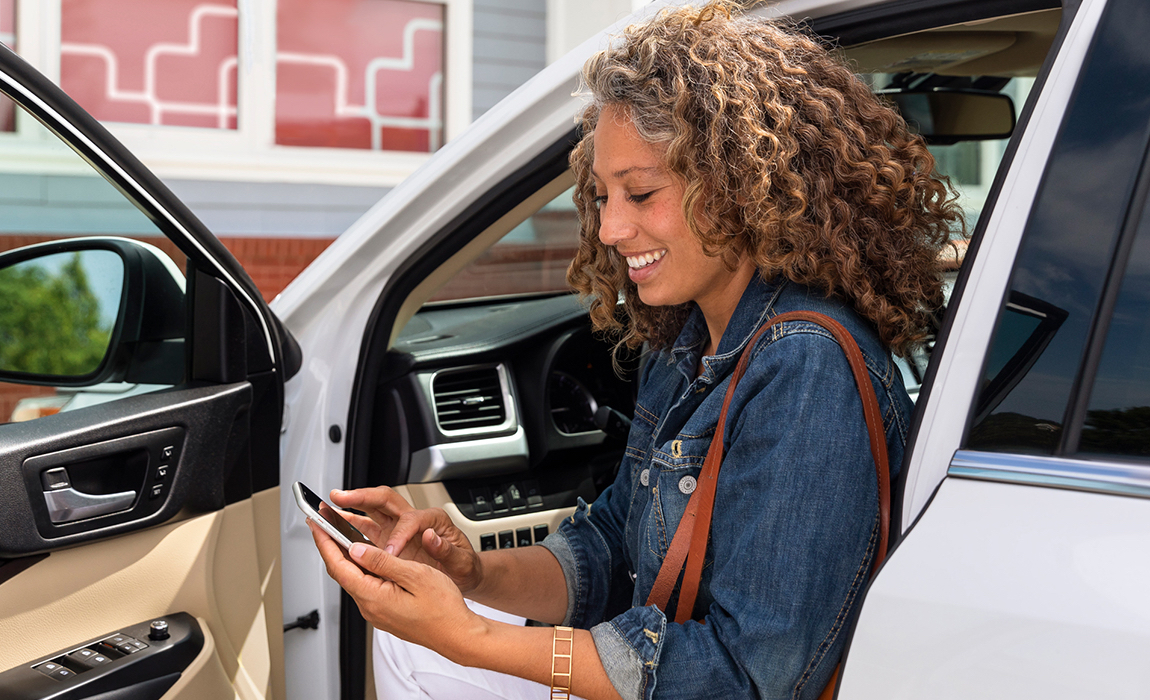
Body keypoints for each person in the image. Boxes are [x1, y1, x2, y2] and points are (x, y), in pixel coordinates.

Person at [308, 3, 962, 699]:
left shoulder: (804, 363)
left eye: (642, 193)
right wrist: (470, 574)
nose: (613, 228)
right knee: (413, 652)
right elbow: (611, 548)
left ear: (743, 186)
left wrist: (472, 637)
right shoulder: (683, 341)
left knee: (433, 656)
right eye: (601, 195)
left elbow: (748, 678)